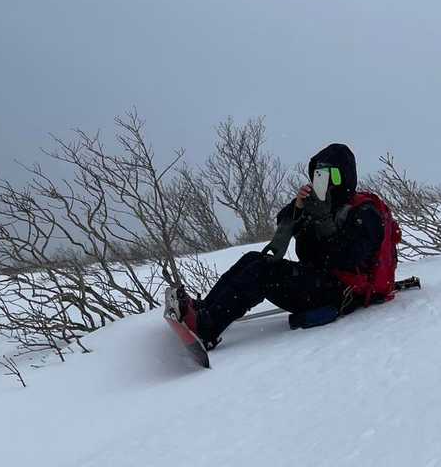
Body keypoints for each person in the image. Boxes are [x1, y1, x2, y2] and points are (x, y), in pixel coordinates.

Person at [168, 143, 398, 348]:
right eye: (320, 174)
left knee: (263, 273)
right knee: (253, 258)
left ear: (345, 176)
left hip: (342, 291)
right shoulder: (318, 203)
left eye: (333, 175)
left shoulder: (364, 213)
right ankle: (204, 309)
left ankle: (206, 328)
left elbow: (348, 258)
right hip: (319, 278)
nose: (326, 181)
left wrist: (323, 220)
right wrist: (298, 207)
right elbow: (284, 224)